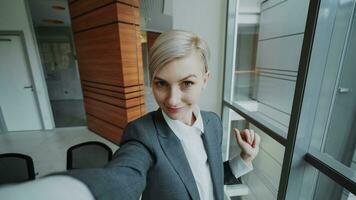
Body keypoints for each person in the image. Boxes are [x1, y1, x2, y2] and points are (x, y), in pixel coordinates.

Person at [0, 30, 260, 200]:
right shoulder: (142, 134)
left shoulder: (213, 122)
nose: (171, 99)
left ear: (205, 80)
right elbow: (119, 179)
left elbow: (210, 178)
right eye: (160, 83)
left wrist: (244, 158)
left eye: (187, 83)